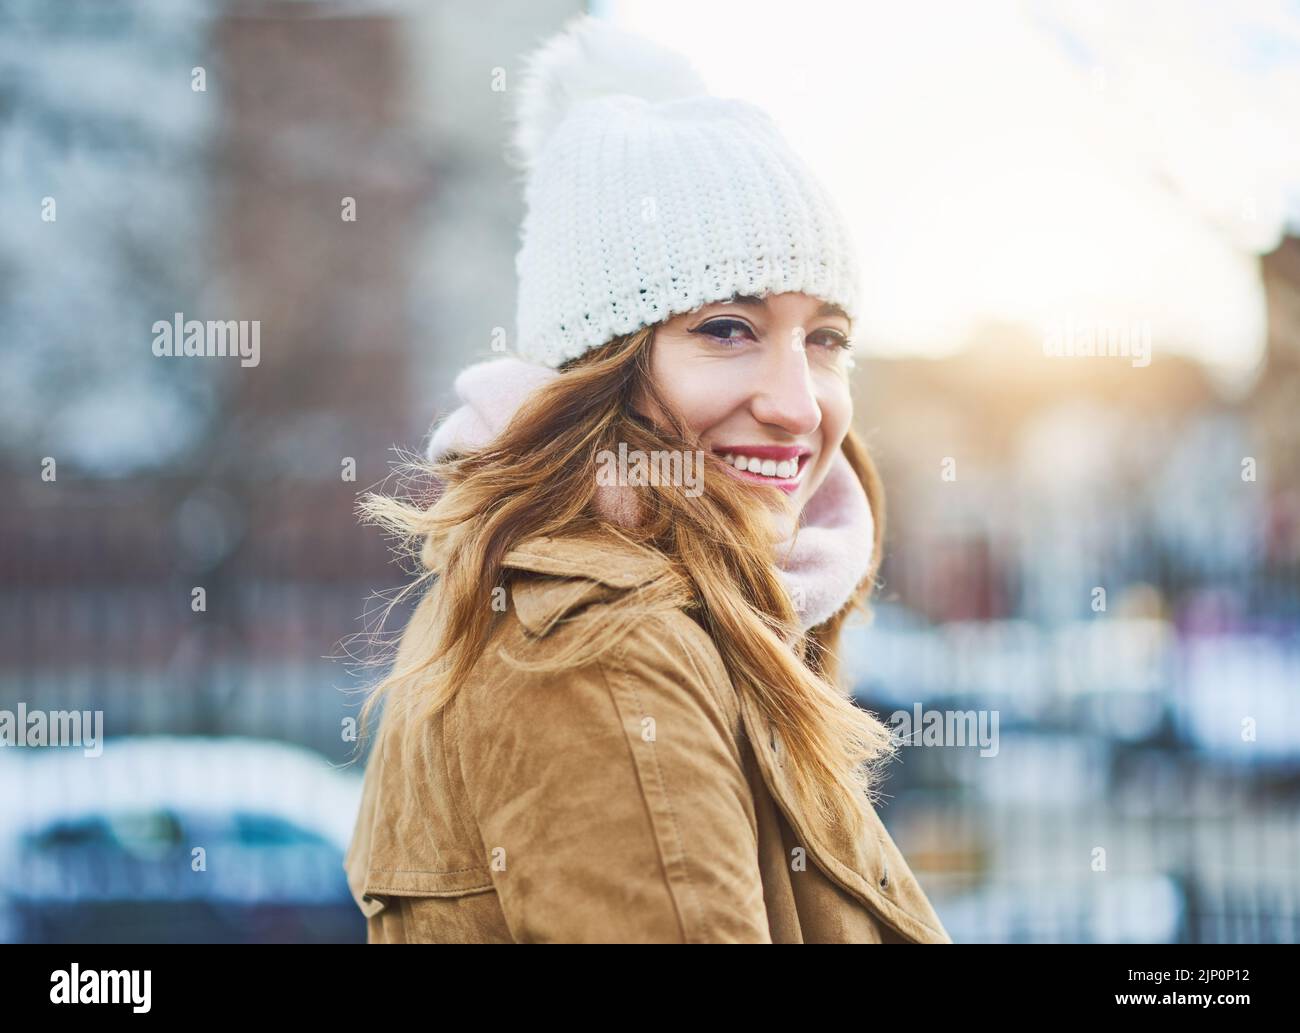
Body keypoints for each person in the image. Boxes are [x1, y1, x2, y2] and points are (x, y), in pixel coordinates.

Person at [342, 13, 951, 944]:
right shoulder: (603, 648)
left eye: (824, 338)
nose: (798, 402)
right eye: (727, 328)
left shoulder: (727, 609)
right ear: (604, 365)